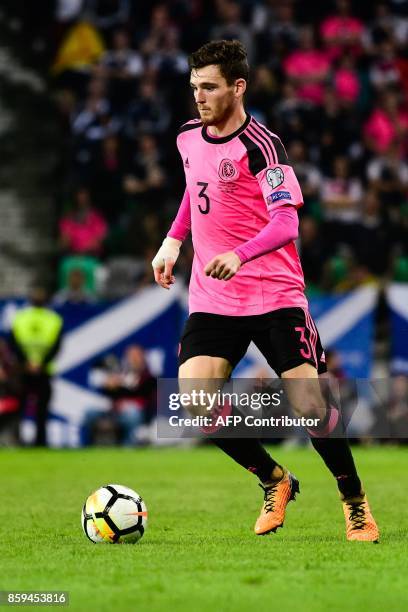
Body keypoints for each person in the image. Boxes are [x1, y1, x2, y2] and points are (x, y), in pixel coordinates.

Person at [152, 40, 379, 542]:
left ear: (239, 87)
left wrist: (240, 253)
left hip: (273, 291)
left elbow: (286, 222)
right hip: (215, 295)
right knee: (197, 404)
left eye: (209, 87)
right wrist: (172, 242)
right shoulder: (189, 137)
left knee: (311, 407)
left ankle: (355, 502)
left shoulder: (264, 146)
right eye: (194, 88)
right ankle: (275, 480)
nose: (199, 98)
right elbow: (195, 193)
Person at [10, 288, 63, 446]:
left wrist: (36, 363)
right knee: (20, 408)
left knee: (41, 409)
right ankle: (19, 440)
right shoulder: (22, 317)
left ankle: (40, 442)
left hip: (42, 370)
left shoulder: (52, 319)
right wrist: (30, 363)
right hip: (27, 370)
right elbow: (14, 343)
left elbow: (57, 345)